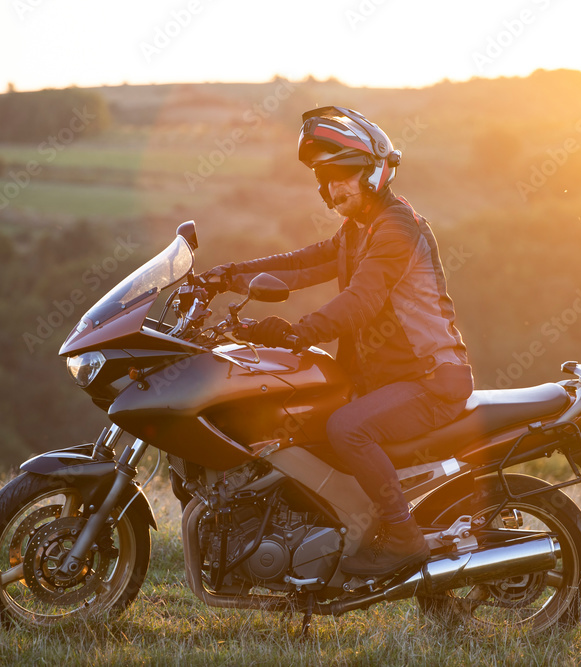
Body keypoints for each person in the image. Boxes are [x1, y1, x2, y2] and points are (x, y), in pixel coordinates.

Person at [201, 106, 473, 577]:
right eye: (325, 178)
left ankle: (404, 537)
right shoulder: (358, 229)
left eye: (343, 174)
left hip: (432, 381)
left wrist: (295, 333)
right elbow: (304, 262)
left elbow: (361, 302)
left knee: (348, 429)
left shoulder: (396, 228)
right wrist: (224, 277)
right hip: (387, 380)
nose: (332, 187)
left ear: (375, 171)